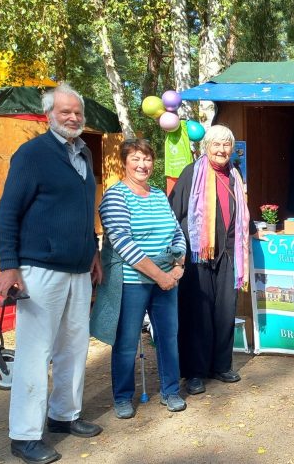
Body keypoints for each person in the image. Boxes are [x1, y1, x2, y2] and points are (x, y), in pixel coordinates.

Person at [0, 83, 103, 464]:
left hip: (77, 270)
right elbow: (7, 213)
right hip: (39, 270)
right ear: (48, 115)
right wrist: (9, 266)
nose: (72, 117)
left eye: (77, 112)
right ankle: (23, 436)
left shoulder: (83, 155)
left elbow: (81, 209)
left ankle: (64, 415)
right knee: (34, 353)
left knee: (74, 347)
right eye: (64, 112)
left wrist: (93, 251)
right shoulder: (32, 154)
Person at [92, 139, 187, 419]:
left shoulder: (158, 194)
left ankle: (170, 391)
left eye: (147, 159)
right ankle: (122, 396)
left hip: (167, 279)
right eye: (135, 159)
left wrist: (179, 265)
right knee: (126, 341)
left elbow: (176, 231)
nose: (142, 165)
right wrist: (160, 276)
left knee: (168, 338)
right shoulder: (115, 196)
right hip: (132, 281)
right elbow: (122, 242)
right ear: (124, 162)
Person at [169, 125, 254, 396]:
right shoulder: (192, 173)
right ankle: (195, 372)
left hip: (228, 254)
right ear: (207, 147)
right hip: (197, 255)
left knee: (224, 311)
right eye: (216, 145)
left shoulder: (234, 175)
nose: (221, 150)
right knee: (197, 314)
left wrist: (253, 231)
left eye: (226, 145)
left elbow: (240, 212)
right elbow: (174, 213)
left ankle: (221, 365)